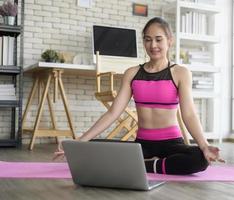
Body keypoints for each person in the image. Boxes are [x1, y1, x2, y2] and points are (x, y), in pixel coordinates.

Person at [54, 17, 224, 175]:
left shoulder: (181, 73)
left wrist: (204, 145)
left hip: (172, 143)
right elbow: (113, 112)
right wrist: (80, 142)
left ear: (169, 41)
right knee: (90, 147)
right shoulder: (132, 73)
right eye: (148, 39)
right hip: (142, 145)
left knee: (199, 159)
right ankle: (153, 164)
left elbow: (189, 114)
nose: (153, 45)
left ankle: (144, 166)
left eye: (159, 39)